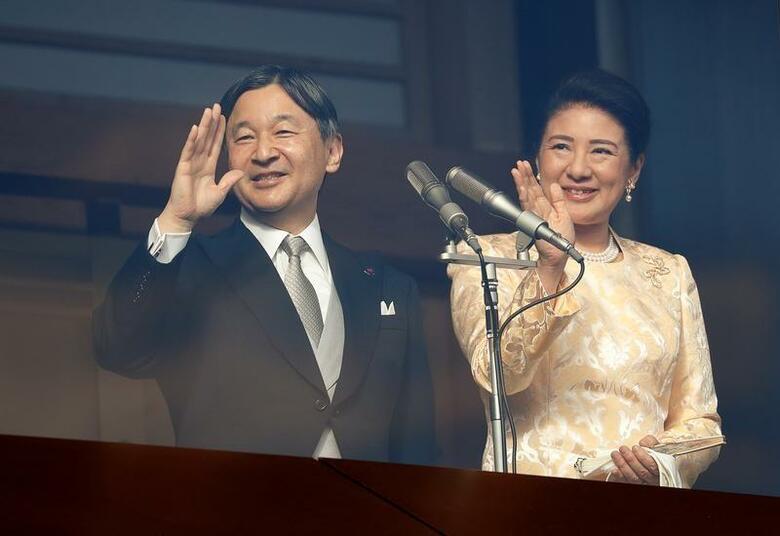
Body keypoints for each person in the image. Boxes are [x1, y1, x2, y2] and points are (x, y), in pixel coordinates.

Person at [93, 65, 435, 465]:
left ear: (333, 151)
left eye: (283, 132)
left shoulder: (389, 288)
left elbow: (419, 448)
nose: (263, 152)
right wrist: (176, 219)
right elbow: (116, 348)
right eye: (244, 137)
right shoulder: (190, 267)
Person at [448, 69, 720, 487]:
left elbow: (700, 423)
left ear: (633, 170)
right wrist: (550, 261)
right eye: (561, 147)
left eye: (601, 152)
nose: (578, 168)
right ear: (538, 159)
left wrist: (656, 463)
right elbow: (500, 372)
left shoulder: (669, 272)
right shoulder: (485, 257)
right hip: (530, 507)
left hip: (638, 511)